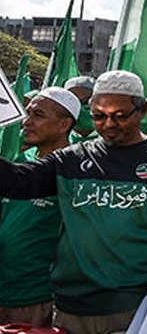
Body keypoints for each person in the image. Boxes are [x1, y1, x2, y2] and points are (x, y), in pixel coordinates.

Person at [0, 70, 147, 334]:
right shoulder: (71, 159)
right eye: (99, 116)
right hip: (71, 310)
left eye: (120, 115)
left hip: (135, 309)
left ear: (143, 109)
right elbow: (19, 181)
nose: (109, 124)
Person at [0, 87, 78, 326]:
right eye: (28, 113)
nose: (27, 122)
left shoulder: (74, 174)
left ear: (64, 124)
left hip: (35, 300)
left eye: (38, 115)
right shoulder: (19, 168)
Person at [65, 75, 97, 143]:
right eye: (73, 101)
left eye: (86, 101)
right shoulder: (56, 140)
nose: (79, 107)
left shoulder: (113, 140)